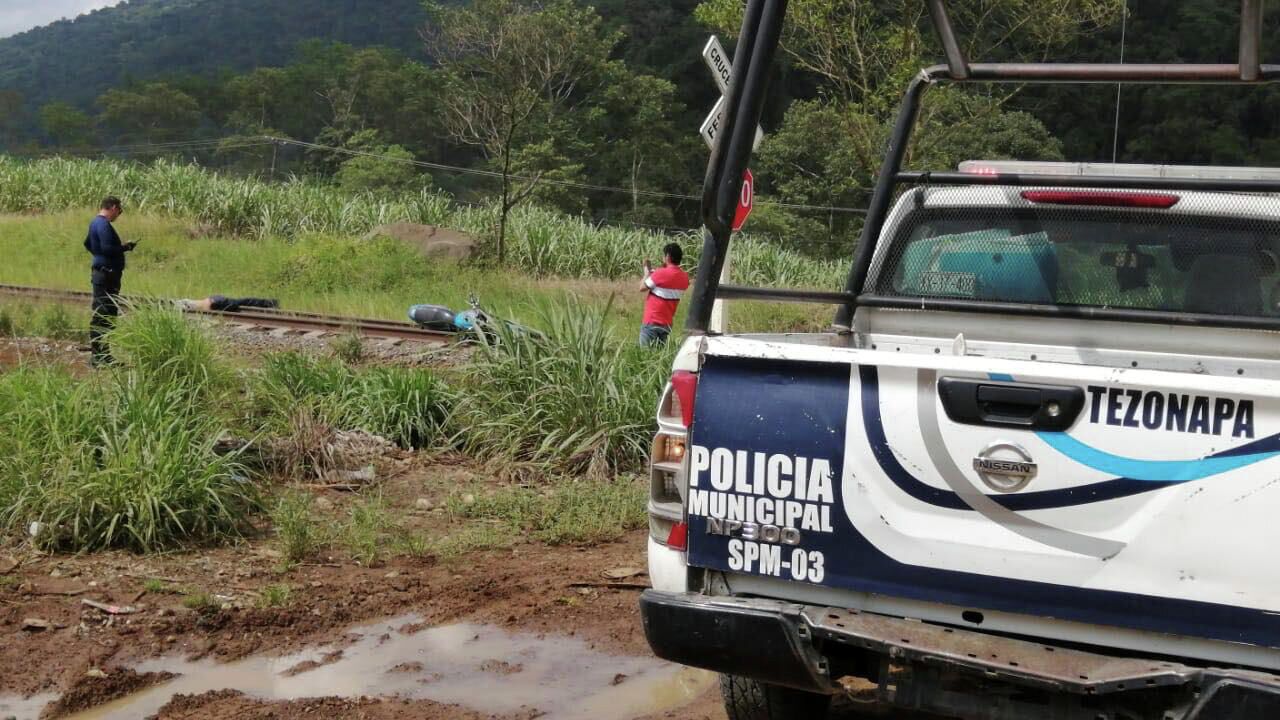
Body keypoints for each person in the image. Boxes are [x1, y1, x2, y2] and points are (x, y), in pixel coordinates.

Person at [83, 196, 135, 366]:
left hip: (103, 274)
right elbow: (107, 248)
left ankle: (103, 355)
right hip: (106, 276)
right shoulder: (104, 225)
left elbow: (87, 244)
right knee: (104, 315)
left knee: (106, 314)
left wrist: (98, 257)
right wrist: (125, 247)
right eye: (119, 211)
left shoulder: (94, 223)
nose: (118, 215)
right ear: (112, 207)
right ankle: (99, 357)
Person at [639, 242, 690, 347]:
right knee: (658, 357)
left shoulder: (660, 273)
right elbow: (668, 280)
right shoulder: (685, 278)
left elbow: (642, 287)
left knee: (644, 356)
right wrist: (654, 271)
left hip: (651, 321)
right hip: (666, 324)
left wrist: (646, 273)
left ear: (667, 256)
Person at [176, 295, 279, 313]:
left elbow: (205, 307)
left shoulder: (186, 305)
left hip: (214, 303)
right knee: (242, 302)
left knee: (242, 302)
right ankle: (269, 302)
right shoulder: (186, 302)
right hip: (214, 300)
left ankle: (270, 302)